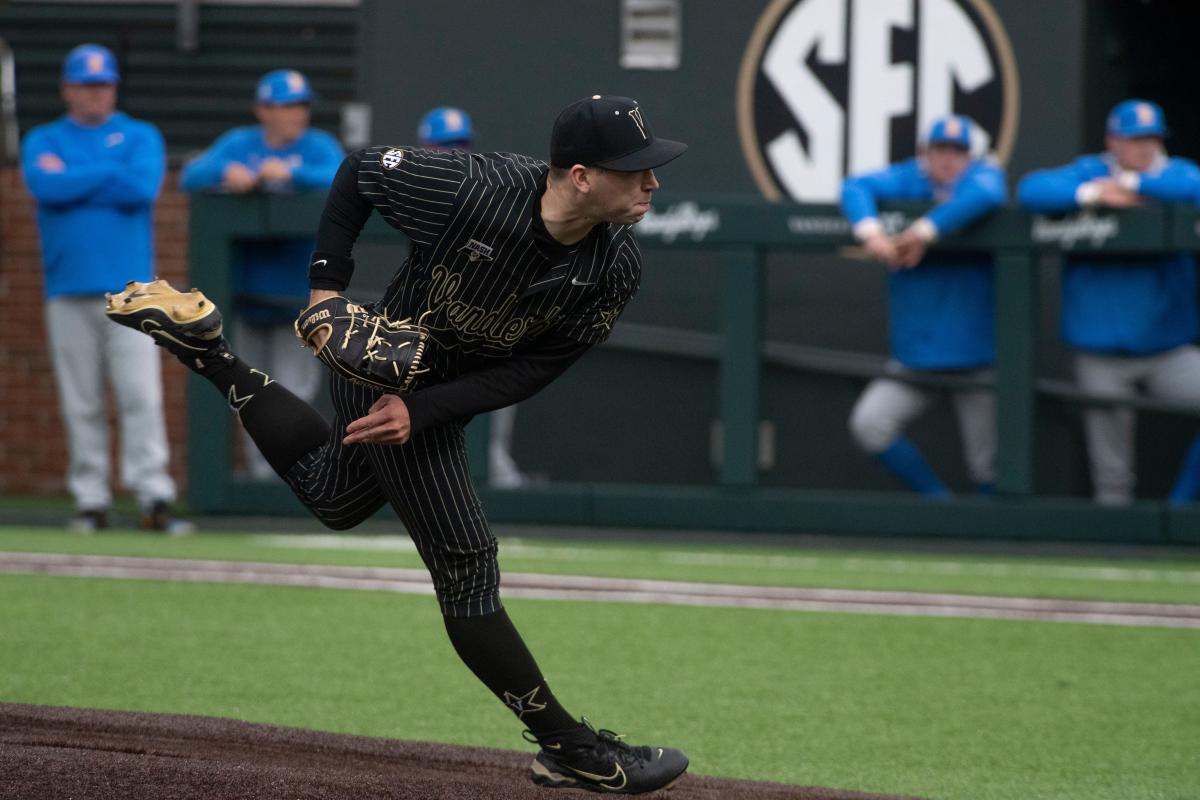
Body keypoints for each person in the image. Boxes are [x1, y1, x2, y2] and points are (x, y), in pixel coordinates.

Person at [107, 94, 689, 793]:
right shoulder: (474, 187)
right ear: (580, 175)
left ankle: (210, 352)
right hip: (383, 364)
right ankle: (572, 749)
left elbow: (536, 368)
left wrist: (428, 409)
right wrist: (326, 291)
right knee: (468, 566)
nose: (653, 183)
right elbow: (358, 172)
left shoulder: (615, 267)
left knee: (335, 496)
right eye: (636, 170)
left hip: (432, 399)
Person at [20, 43, 189, 534]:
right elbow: (44, 188)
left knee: (141, 394)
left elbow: (140, 189)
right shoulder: (43, 139)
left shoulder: (139, 136)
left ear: (113, 88)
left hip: (132, 292)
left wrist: (76, 179)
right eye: (84, 85)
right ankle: (90, 501)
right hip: (67, 287)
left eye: (102, 85)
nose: (94, 94)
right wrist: (105, 176)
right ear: (67, 89)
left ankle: (153, 495)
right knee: (82, 401)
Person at [1018, 100, 1200, 505]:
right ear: (1112, 141)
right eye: (1135, 140)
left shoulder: (1175, 174)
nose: (1144, 148)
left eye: (1152, 139)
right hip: (1100, 351)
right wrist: (1094, 194)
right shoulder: (1090, 172)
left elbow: (1194, 187)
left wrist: (1134, 186)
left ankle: (1178, 509)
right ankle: (1118, 551)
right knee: (1111, 472)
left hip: (1166, 349)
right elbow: (1031, 190)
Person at [180, 69, 344, 479]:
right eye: (288, 106)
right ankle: (260, 479)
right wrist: (228, 174)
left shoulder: (318, 146)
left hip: (299, 300)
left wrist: (290, 174)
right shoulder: (240, 143)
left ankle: (299, 480)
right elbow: (190, 175)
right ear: (264, 110)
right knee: (250, 395)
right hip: (247, 295)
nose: (297, 114)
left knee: (294, 394)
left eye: (302, 106)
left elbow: (342, 175)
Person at [840, 115, 1008, 496]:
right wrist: (870, 232)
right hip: (915, 357)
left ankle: (987, 536)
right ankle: (941, 505)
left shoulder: (979, 179)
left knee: (988, 463)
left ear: (970, 156)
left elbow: (990, 194)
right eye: (940, 150)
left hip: (977, 356)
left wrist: (921, 233)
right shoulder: (910, 178)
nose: (949, 159)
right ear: (925, 154)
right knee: (870, 424)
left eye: (958, 151)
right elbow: (855, 186)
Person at [416, 105, 531, 488]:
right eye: (445, 147)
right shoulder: (412, 188)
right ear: (425, 148)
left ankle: (502, 483)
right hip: (433, 327)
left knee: (493, 419)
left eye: (461, 146)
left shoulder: (493, 187)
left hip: (490, 321)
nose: (456, 155)